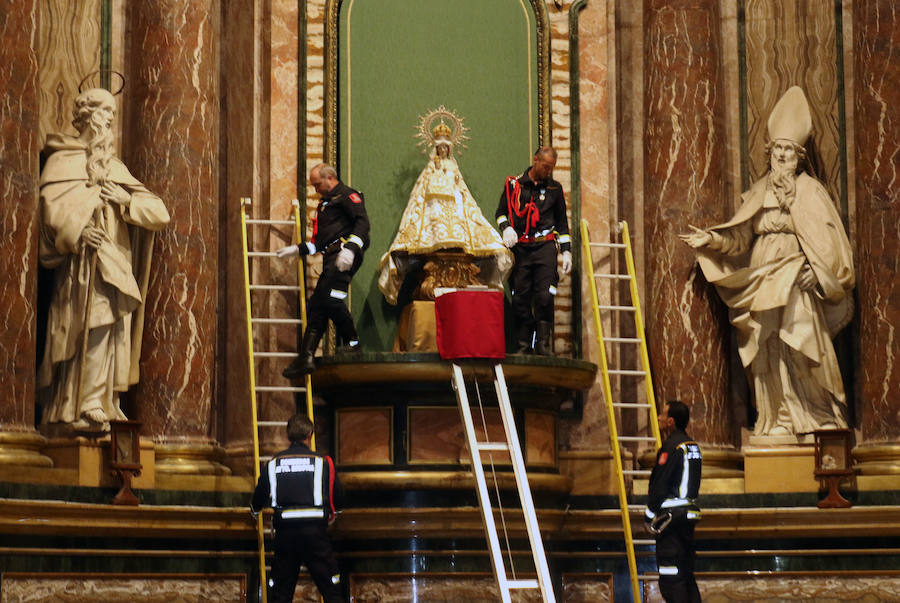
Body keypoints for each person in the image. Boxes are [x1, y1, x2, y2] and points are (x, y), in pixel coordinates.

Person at [680, 86, 854, 436]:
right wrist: (711, 239)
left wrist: (818, 275)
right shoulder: (758, 192)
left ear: (799, 156)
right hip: (763, 279)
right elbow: (741, 237)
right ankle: (778, 417)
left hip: (796, 279)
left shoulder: (811, 192)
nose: (783, 155)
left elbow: (831, 244)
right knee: (767, 348)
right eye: (778, 149)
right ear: (770, 152)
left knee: (801, 342)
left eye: (789, 150)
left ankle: (816, 415)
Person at [37, 87, 170, 433]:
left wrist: (125, 200)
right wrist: (78, 232)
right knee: (91, 324)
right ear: (86, 116)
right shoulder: (61, 161)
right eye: (103, 112)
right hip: (81, 265)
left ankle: (105, 398)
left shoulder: (114, 167)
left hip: (115, 262)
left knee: (112, 329)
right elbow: (51, 209)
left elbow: (159, 213)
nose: (109, 119)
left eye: (112, 114)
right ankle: (83, 400)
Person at [378, 122, 512, 304]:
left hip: (455, 211)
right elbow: (421, 193)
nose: (442, 150)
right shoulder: (430, 169)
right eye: (439, 147)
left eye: (445, 147)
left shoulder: (453, 168)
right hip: (434, 210)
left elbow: (461, 190)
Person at [277, 163, 370, 377]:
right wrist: (297, 250)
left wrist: (352, 249)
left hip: (344, 255)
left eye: (317, 184)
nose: (315, 189)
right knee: (318, 305)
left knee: (332, 299)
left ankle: (354, 344)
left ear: (330, 178)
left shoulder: (348, 195)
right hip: (331, 258)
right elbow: (318, 244)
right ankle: (306, 357)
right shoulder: (324, 205)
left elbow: (363, 224)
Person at [250, 414, 345, 603]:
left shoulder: (273, 463)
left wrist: (255, 510)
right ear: (310, 434)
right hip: (315, 535)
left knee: (281, 591)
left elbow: (260, 493)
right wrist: (335, 514)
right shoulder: (322, 462)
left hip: (285, 536)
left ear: (288, 436)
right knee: (331, 588)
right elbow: (337, 493)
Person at [495, 146, 572, 354]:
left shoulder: (555, 190)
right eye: (546, 166)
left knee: (545, 296)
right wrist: (506, 227)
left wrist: (566, 251)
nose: (548, 171)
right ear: (536, 160)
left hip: (545, 247)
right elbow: (501, 213)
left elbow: (562, 224)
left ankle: (543, 345)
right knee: (520, 297)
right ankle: (523, 344)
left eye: (552, 168)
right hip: (522, 249)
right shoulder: (515, 185)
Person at [645, 400, 702, 603]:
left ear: (670, 422)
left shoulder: (671, 447)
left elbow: (660, 485)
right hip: (687, 518)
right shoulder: (692, 446)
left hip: (670, 521)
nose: (659, 418)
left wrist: (648, 517)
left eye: (662, 415)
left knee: (671, 580)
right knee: (686, 575)